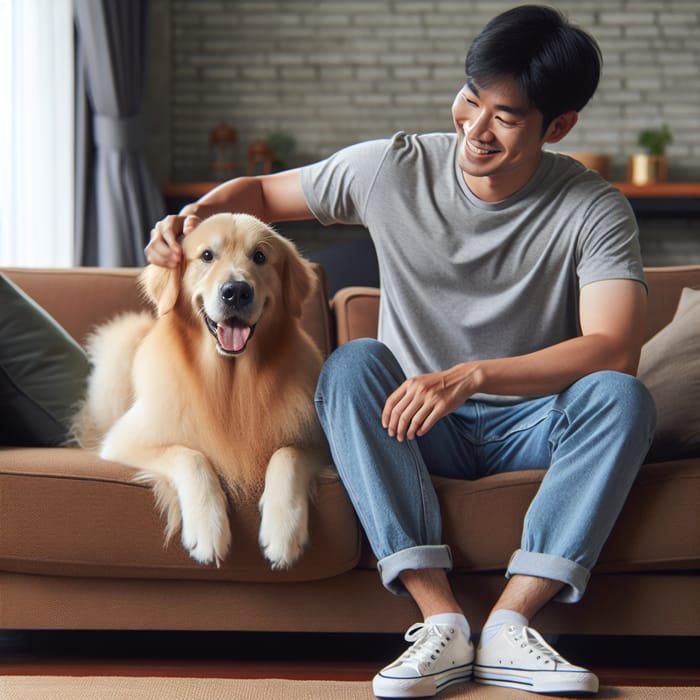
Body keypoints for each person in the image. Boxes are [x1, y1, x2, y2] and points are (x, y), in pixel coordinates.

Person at [146, 5, 656, 697]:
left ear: (558, 126)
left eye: (505, 117)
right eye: (470, 99)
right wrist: (187, 222)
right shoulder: (393, 166)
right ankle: (440, 621)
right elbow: (263, 192)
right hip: (413, 425)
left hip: (535, 425)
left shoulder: (593, 208)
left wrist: (471, 376)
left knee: (622, 396)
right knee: (350, 366)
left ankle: (510, 625)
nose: (475, 130)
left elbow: (613, 346)